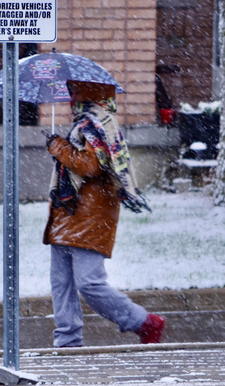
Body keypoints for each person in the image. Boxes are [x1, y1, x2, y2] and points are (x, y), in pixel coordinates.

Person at [43, 79, 165, 347]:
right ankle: (68, 342)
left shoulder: (97, 124)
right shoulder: (85, 124)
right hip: (67, 211)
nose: (71, 99)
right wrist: (61, 146)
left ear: (89, 94)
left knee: (89, 283)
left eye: (75, 92)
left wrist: (58, 147)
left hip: (91, 214)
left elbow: (90, 166)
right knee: (61, 284)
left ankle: (144, 322)